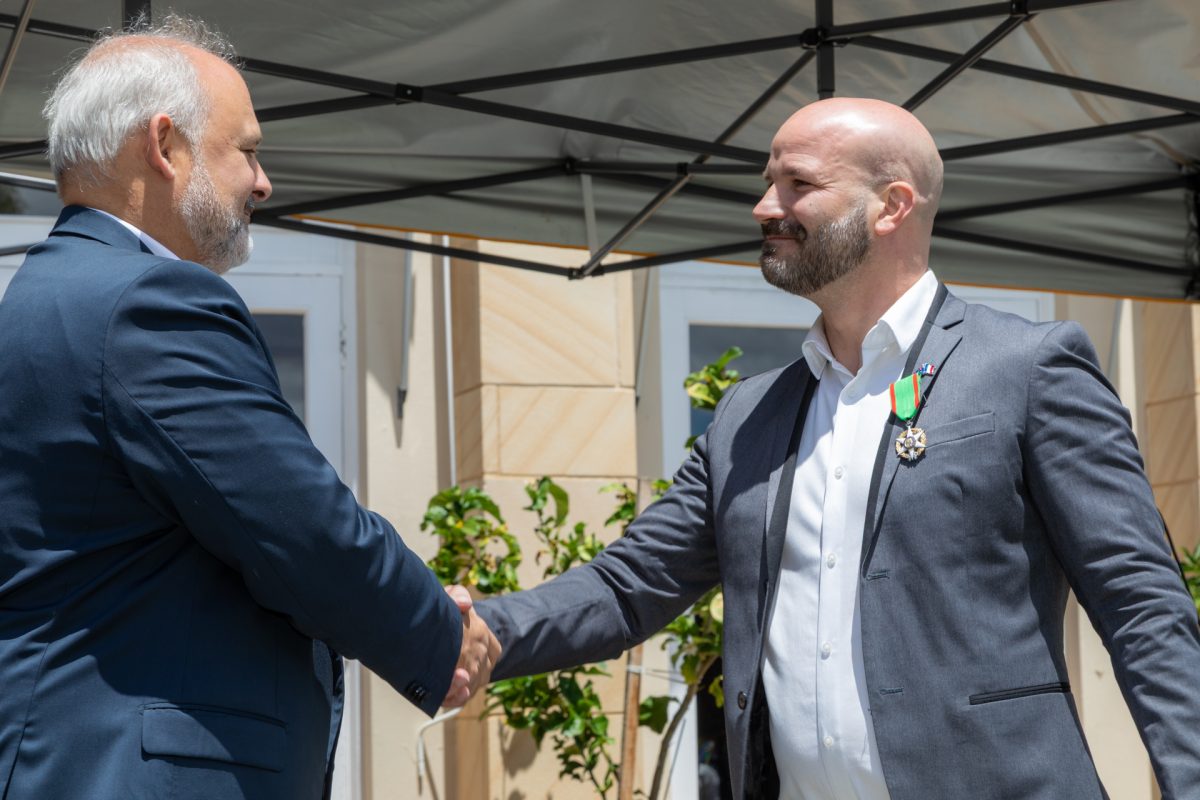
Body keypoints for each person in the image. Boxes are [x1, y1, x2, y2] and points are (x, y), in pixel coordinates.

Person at [476, 97, 1200, 799]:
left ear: (891, 206)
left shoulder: (1029, 368)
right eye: (768, 182)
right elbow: (626, 588)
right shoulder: (747, 417)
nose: (765, 207)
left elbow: (1142, 607)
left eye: (799, 184)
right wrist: (459, 631)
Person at [0, 16, 498, 800]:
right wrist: (439, 634)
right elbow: (300, 525)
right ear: (165, 147)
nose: (262, 184)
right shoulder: (147, 303)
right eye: (249, 151)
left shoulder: (39, 298)